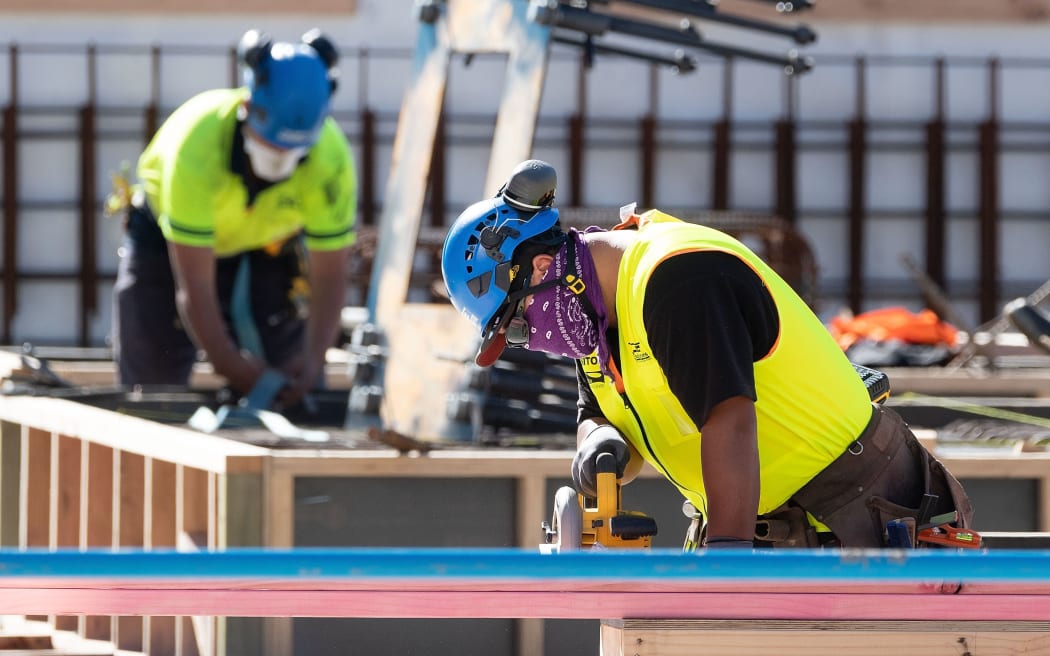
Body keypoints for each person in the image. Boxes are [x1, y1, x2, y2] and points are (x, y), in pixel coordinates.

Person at [441, 159, 973, 549]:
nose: (528, 341)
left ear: (537, 270)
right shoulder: (589, 315)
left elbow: (729, 424)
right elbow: (599, 411)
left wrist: (725, 571)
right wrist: (599, 442)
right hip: (770, 524)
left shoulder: (676, 280)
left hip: (857, 514)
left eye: (515, 328)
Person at [110, 28, 357, 408]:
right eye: (271, 148)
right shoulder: (196, 144)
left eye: (294, 154)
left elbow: (329, 275)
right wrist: (230, 366)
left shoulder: (330, 159)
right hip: (168, 246)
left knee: (291, 374)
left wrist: (313, 359)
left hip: (269, 245)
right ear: (247, 108)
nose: (280, 162)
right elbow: (193, 288)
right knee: (152, 385)